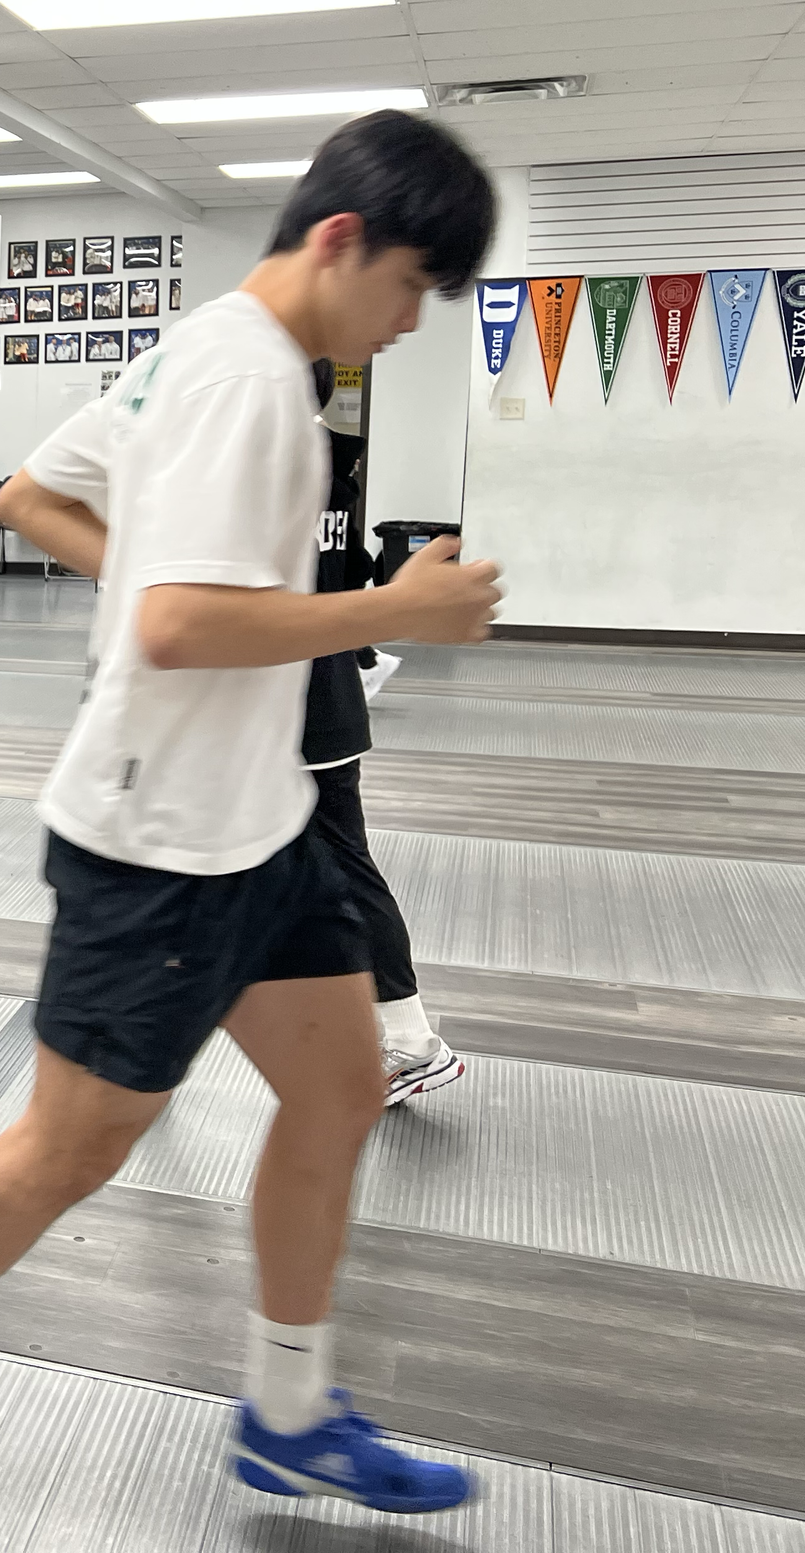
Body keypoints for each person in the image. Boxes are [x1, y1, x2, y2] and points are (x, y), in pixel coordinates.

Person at [0, 110, 503, 1519]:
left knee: (340, 1088)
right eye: (411, 287)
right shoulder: (245, 383)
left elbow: (46, 500)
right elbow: (180, 623)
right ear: (340, 239)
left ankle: (289, 1412)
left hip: (263, 822)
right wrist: (393, 609)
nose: (410, 324)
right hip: (159, 843)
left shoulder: (210, 349)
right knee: (73, 1146)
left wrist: (163, 588)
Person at [305, 363, 459, 1104]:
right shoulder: (335, 466)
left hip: (299, 708)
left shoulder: (275, 469)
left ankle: (411, 1039)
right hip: (321, 701)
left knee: (342, 869)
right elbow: (352, 576)